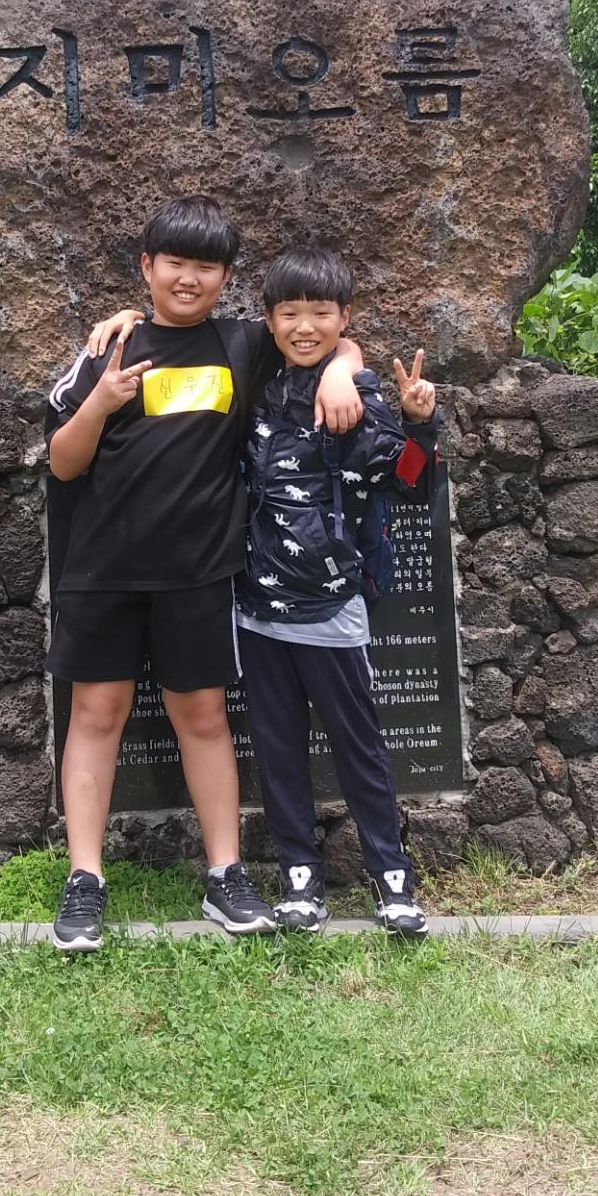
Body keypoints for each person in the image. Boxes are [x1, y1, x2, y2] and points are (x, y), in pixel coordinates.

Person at [45, 195, 364, 953]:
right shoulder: (110, 348)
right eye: (174, 263)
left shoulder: (242, 344)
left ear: (225, 277)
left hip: (199, 571)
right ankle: (84, 879)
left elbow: (322, 334)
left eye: (206, 267)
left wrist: (343, 372)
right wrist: (101, 402)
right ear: (147, 267)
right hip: (102, 568)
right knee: (95, 715)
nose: (188, 279)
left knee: (204, 716)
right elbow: (62, 464)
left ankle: (226, 873)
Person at [235, 243, 438, 938]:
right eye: (289, 313)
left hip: (330, 610)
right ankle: (299, 874)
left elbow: (407, 481)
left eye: (320, 313)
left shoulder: (359, 398)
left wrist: (418, 423)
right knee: (277, 747)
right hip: (256, 611)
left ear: (343, 316)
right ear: (268, 320)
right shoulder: (258, 391)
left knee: (359, 748)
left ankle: (391, 877)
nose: (304, 327)